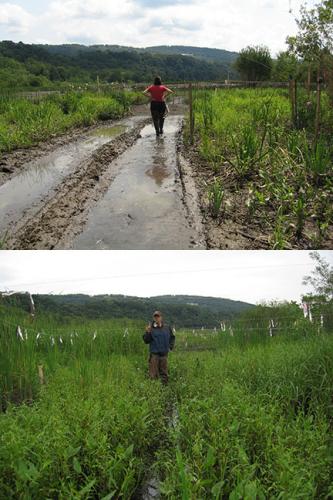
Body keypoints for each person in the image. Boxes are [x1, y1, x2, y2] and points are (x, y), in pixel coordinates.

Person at [143, 310, 175, 384]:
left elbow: (172, 337)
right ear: (153, 318)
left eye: (158, 316)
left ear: (161, 318)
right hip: (154, 355)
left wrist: (170, 346)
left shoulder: (167, 327)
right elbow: (146, 341)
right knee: (153, 374)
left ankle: (164, 389)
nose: (156, 318)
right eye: (155, 317)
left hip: (164, 354)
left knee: (164, 373)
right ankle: (153, 390)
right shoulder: (150, 328)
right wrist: (147, 332)